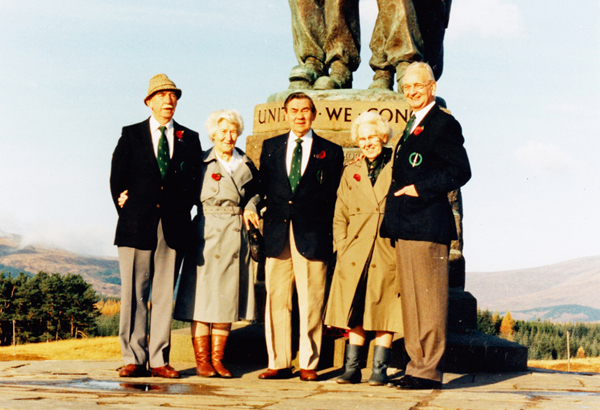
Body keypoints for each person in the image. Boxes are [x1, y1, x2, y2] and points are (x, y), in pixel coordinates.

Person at [381, 62, 470, 389]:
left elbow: (460, 170)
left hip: (428, 223)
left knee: (429, 302)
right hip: (406, 224)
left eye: (417, 86)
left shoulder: (443, 124)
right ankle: (416, 365)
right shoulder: (412, 124)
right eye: (406, 88)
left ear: (432, 87)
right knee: (413, 301)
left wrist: (421, 188)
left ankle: (428, 370)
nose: (411, 92)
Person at [110, 74, 201, 378]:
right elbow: (117, 178)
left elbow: (194, 183)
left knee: (163, 295)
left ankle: (160, 360)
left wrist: (180, 209)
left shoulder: (190, 138)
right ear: (149, 101)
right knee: (134, 294)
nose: (168, 100)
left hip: (173, 228)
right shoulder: (131, 135)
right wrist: (123, 201)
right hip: (136, 226)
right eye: (162, 95)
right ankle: (133, 358)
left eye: (173, 95)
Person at [258, 92, 344, 381]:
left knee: (311, 301)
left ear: (314, 114)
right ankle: (279, 361)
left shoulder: (330, 152)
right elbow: (262, 188)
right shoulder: (270, 148)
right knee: (277, 299)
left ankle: (309, 362)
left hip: (312, 235)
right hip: (277, 234)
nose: (299, 115)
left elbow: (334, 197)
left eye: (305, 110)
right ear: (286, 114)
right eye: (294, 110)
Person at [174, 110, 260, 378]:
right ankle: (202, 361)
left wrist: (251, 205)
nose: (229, 136)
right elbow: (180, 194)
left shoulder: (246, 163)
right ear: (212, 134)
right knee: (202, 300)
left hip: (235, 236)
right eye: (223, 131)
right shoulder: (200, 162)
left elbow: (259, 192)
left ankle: (217, 359)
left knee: (225, 300)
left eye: (233, 131)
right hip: (205, 236)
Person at [324, 111, 403, 386]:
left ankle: (379, 370)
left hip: (385, 246)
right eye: (362, 139)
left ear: (383, 137)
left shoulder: (398, 165)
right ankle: (352, 368)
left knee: (384, 309)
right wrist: (342, 246)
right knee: (354, 309)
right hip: (355, 249)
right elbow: (340, 214)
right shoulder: (352, 171)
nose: (368, 143)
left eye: (372, 137)